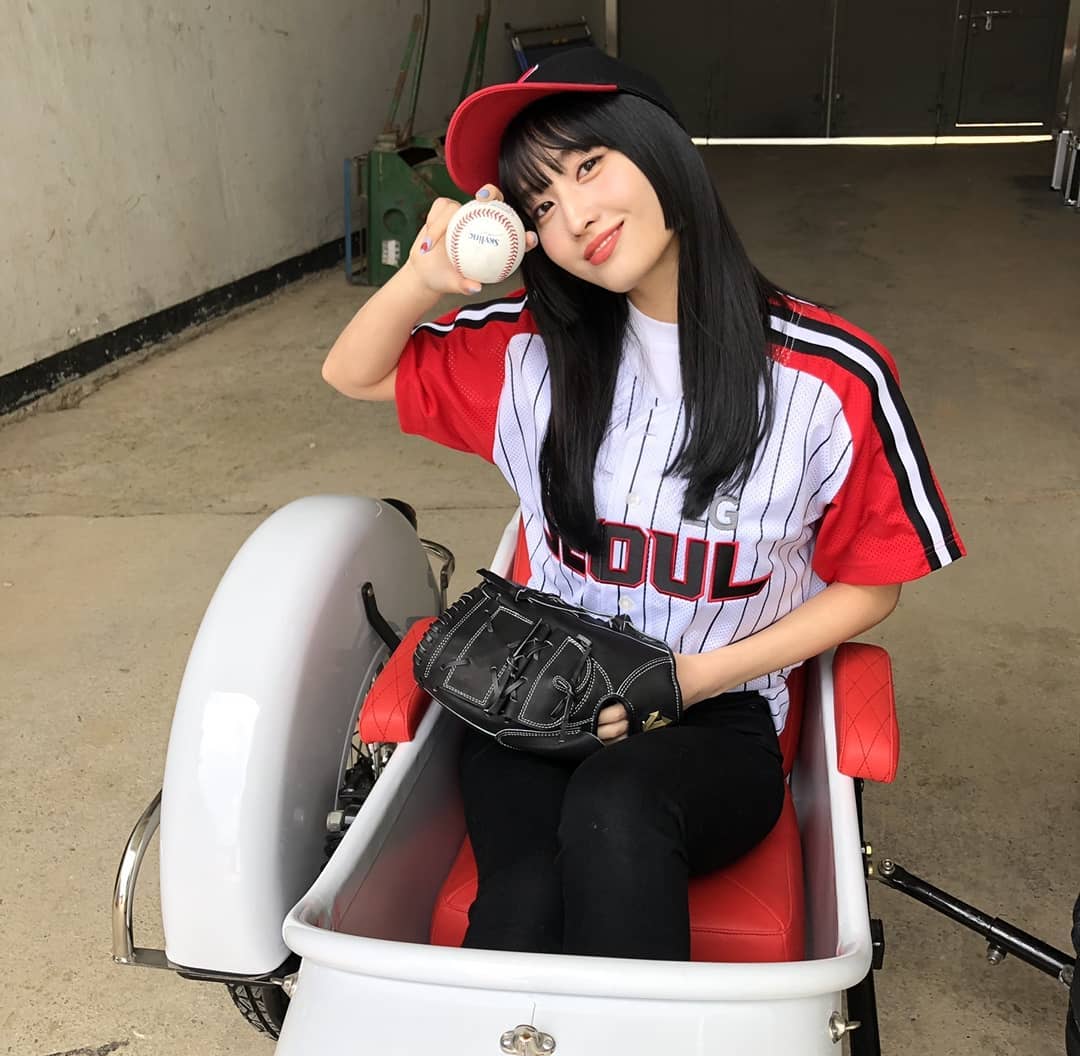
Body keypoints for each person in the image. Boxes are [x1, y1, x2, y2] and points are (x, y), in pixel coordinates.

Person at [322, 48, 965, 962]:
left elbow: (872, 586)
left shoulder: (830, 377)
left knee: (617, 807)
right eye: (541, 205)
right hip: (535, 695)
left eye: (590, 165)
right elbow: (353, 372)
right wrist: (426, 276)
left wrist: (689, 679)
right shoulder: (528, 353)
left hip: (719, 715)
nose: (575, 216)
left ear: (662, 149)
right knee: (522, 901)